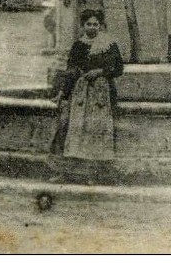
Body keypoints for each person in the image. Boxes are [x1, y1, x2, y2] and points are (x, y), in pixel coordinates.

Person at [51, 9, 124, 163]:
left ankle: (96, 167)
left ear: (101, 26)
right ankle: (77, 164)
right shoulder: (78, 45)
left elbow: (119, 69)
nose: (92, 27)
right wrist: (63, 92)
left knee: (98, 128)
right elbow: (71, 71)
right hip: (81, 94)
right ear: (83, 26)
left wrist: (100, 71)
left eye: (95, 24)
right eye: (88, 24)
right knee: (78, 127)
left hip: (102, 93)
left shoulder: (109, 45)